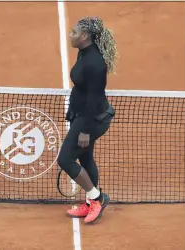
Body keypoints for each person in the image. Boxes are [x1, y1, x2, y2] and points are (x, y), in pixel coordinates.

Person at [57, 17, 118, 224]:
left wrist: (84, 131)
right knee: (85, 159)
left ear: (84, 36)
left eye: (73, 32)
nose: (70, 35)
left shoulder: (95, 64)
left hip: (92, 120)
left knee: (65, 159)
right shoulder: (83, 52)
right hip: (82, 116)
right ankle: (91, 202)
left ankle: (97, 198)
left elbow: (93, 100)